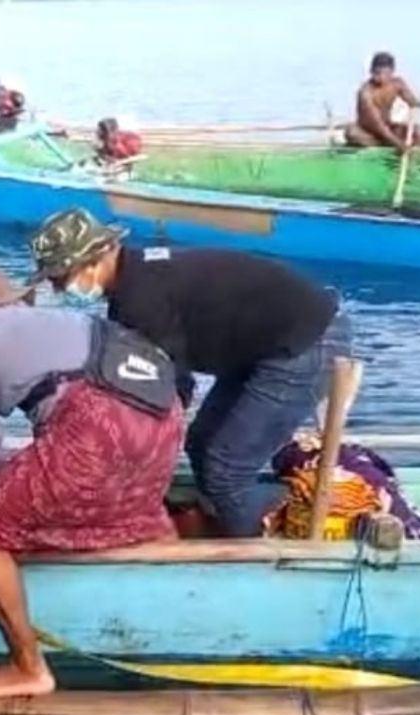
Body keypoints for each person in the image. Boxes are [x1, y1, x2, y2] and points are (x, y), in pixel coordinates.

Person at [29, 208, 352, 539]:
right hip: (262, 345)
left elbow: (172, 387)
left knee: (225, 472)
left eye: (60, 278)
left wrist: (130, 454)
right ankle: (229, 522)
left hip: (306, 343)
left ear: (94, 259)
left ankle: (269, 544)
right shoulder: (137, 276)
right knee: (201, 444)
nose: (60, 288)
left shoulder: (141, 299)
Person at [0, 266, 183, 698]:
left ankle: (29, 667)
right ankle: (175, 619)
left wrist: (14, 487)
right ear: (17, 301)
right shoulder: (69, 320)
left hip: (94, 424)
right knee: (136, 510)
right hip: (166, 415)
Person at [344, 52, 420, 150]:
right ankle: (385, 148)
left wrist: (415, 103)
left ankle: (414, 156)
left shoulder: (397, 83)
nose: (381, 77)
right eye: (377, 73)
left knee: (419, 131)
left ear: (392, 72)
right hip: (369, 131)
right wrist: (397, 143)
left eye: (386, 73)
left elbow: (412, 101)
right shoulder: (365, 93)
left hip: (388, 126)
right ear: (371, 71)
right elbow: (377, 125)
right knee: (352, 133)